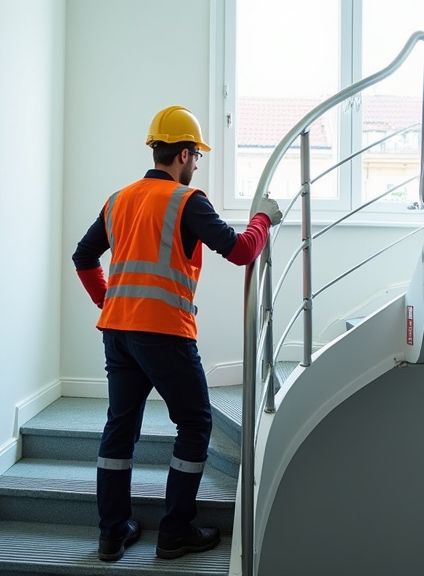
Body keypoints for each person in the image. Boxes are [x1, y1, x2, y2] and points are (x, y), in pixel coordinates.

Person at [71, 105, 282, 562]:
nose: (196, 166)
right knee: (196, 422)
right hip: (164, 332)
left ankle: (111, 534)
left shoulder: (119, 199)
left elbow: (83, 257)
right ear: (184, 154)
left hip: (117, 331)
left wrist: (106, 299)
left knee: (119, 427)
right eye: (197, 157)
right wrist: (263, 217)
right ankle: (175, 531)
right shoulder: (187, 201)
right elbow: (242, 250)